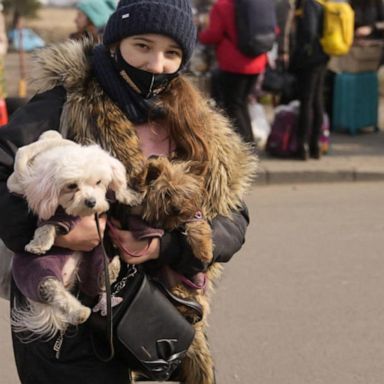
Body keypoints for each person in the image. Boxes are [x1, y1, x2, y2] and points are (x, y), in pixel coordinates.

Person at [0, 0, 256, 383]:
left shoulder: (198, 123)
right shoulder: (64, 103)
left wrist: (166, 247)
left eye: (171, 53)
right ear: (114, 42)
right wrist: (62, 231)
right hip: (68, 322)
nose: (156, 64)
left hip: (155, 320)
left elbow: (233, 217)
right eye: (142, 45)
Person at [198, 0, 269, 146]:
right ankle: (250, 143)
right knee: (241, 103)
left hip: (234, 63)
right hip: (257, 61)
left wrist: (199, 35)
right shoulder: (258, 4)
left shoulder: (222, 6)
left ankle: (244, 147)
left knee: (233, 106)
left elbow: (214, 34)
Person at [289, 0, 329, 160]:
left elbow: (309, 33)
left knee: (307, 101)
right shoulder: (322, 3)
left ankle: (303, 145)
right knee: (317, 101)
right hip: (321, 57)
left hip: (310, 60)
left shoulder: (310, 4)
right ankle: (316, 145)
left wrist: (298, 55)